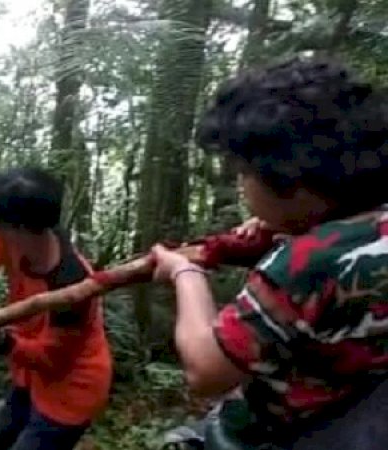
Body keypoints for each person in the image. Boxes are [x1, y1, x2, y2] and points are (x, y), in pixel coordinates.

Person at [149, 57, 388, 448]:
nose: (242, 184)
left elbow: (206, 370)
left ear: (287, 176)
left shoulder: (307, 260)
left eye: (244, 172)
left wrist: (184, 274)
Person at [0, 167, 112, 450]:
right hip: (29, 379)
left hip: (71, 392)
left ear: (17, 229)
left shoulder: (72, 286)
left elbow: (50, 358)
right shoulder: (17, 241)